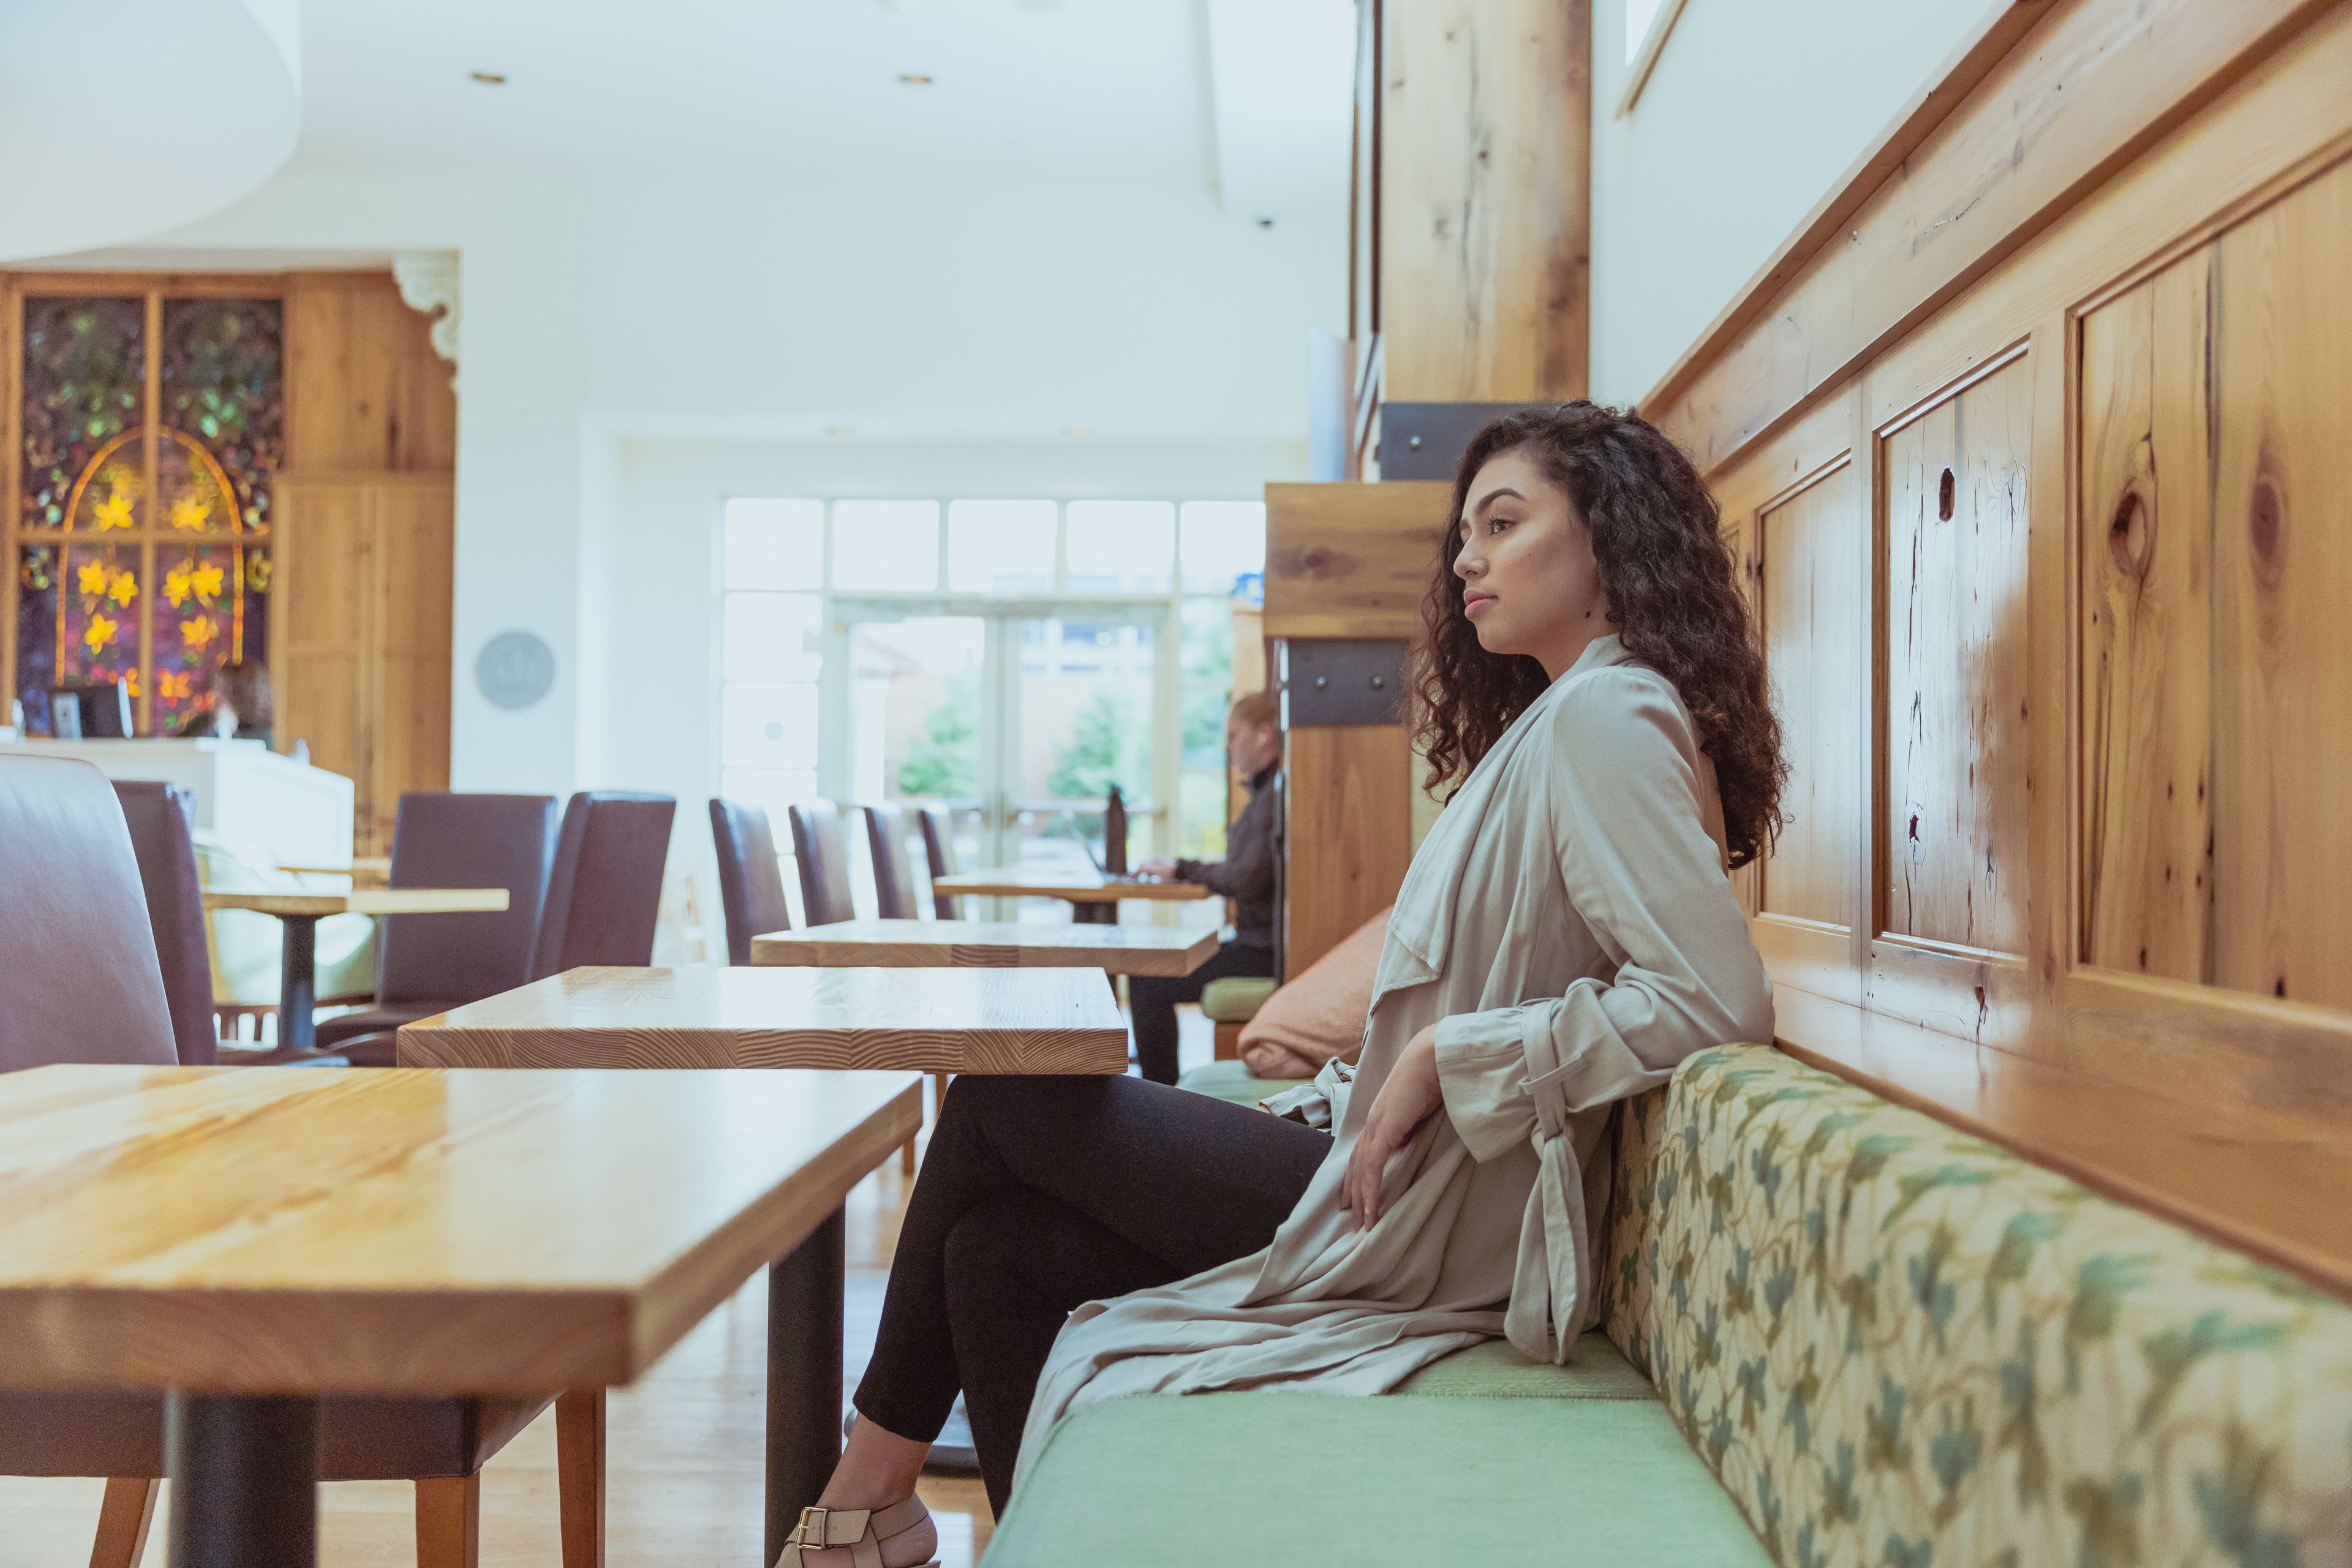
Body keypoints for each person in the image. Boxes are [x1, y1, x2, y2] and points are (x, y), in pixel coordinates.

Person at [777, 404, 1785, 1566]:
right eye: (1465, 533)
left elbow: (1715, 1001)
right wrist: (1374, 1079)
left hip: (1436, 1211)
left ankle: (862, 1504)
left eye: (1504, 525)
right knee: (996, 1252)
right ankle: (920, 1523)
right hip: (1398, 1173)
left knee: (1001, 1099)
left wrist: (1446, 1059)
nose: (1467, 557)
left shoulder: (1607, 714)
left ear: (1607, 533)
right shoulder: (1560, 718)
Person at [1126, 690, 1281, 1084]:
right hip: (1258, 944)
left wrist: (1184, 868)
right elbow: (1243, 872)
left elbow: (1245, 878)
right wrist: (1184, 869)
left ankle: (1160, 1098)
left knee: (1148, 980)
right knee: (1149, 970)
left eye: (1233, 736)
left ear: (1264, 735)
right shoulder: (1268, 794)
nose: (1227, 748)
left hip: (1262, 952)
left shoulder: (1273, 798)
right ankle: (1159, 1091)